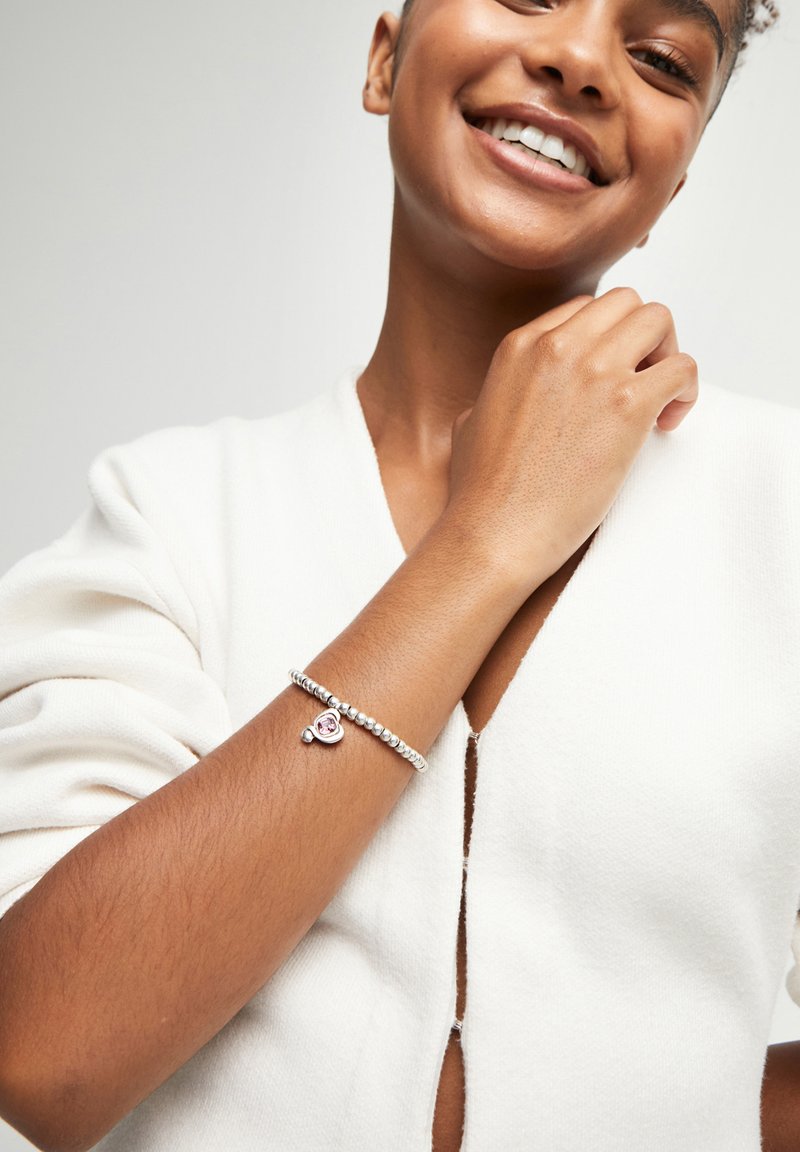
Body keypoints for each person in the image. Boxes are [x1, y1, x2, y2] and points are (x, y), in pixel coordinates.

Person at [0, 0, 798, 1150]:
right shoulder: (172, 518)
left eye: (660, 58)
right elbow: (47, 1055)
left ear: (674, 182)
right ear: (384, 61)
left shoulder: (778, 513)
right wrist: (486, 541)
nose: (578, 60)